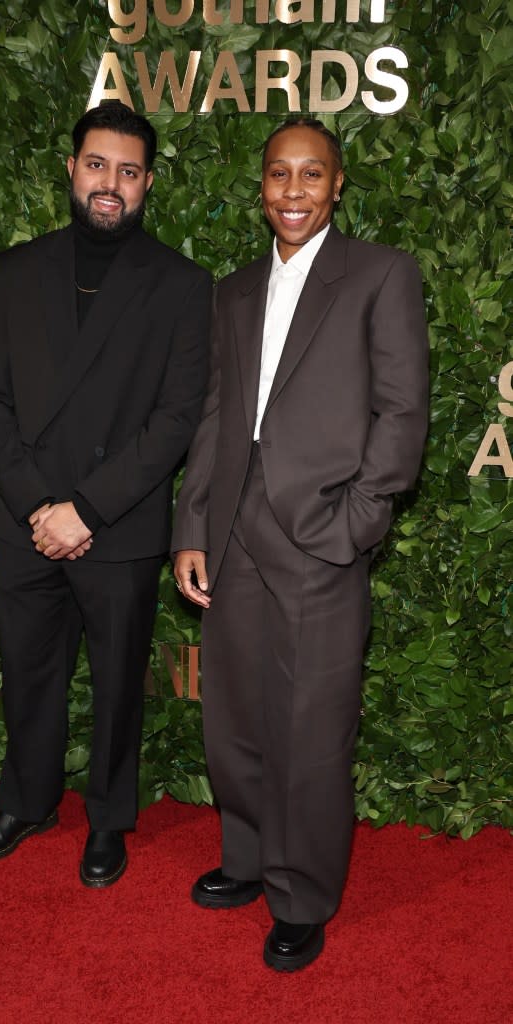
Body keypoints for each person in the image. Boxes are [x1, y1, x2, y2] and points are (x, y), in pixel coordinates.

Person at [172, 117, 429, 970]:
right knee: (236, 717)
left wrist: (358, 519)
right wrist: (192, 526)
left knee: (311, 728)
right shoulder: (234, 289)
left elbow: (401, 413)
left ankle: (302, 892)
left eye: (310, 175)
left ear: (337, 184)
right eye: (278, 175)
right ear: (260, 187)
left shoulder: (380, 275)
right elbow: (216, 415)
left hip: (322, 535)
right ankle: (247, 859)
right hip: (234, 530)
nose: (292, 191)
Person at [0, 101, 211, 887]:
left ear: (146, 184)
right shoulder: (14, 271)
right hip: (25, 520)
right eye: (97, 165)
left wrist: (87, 509)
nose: (111, 184)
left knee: (115, 688)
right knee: (27, 673)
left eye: (129, 171)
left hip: (119, 524)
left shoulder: (179, 284)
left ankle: (108, 818)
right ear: (71, 169)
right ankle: (28, 800)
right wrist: (41, 507)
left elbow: (177, 417)